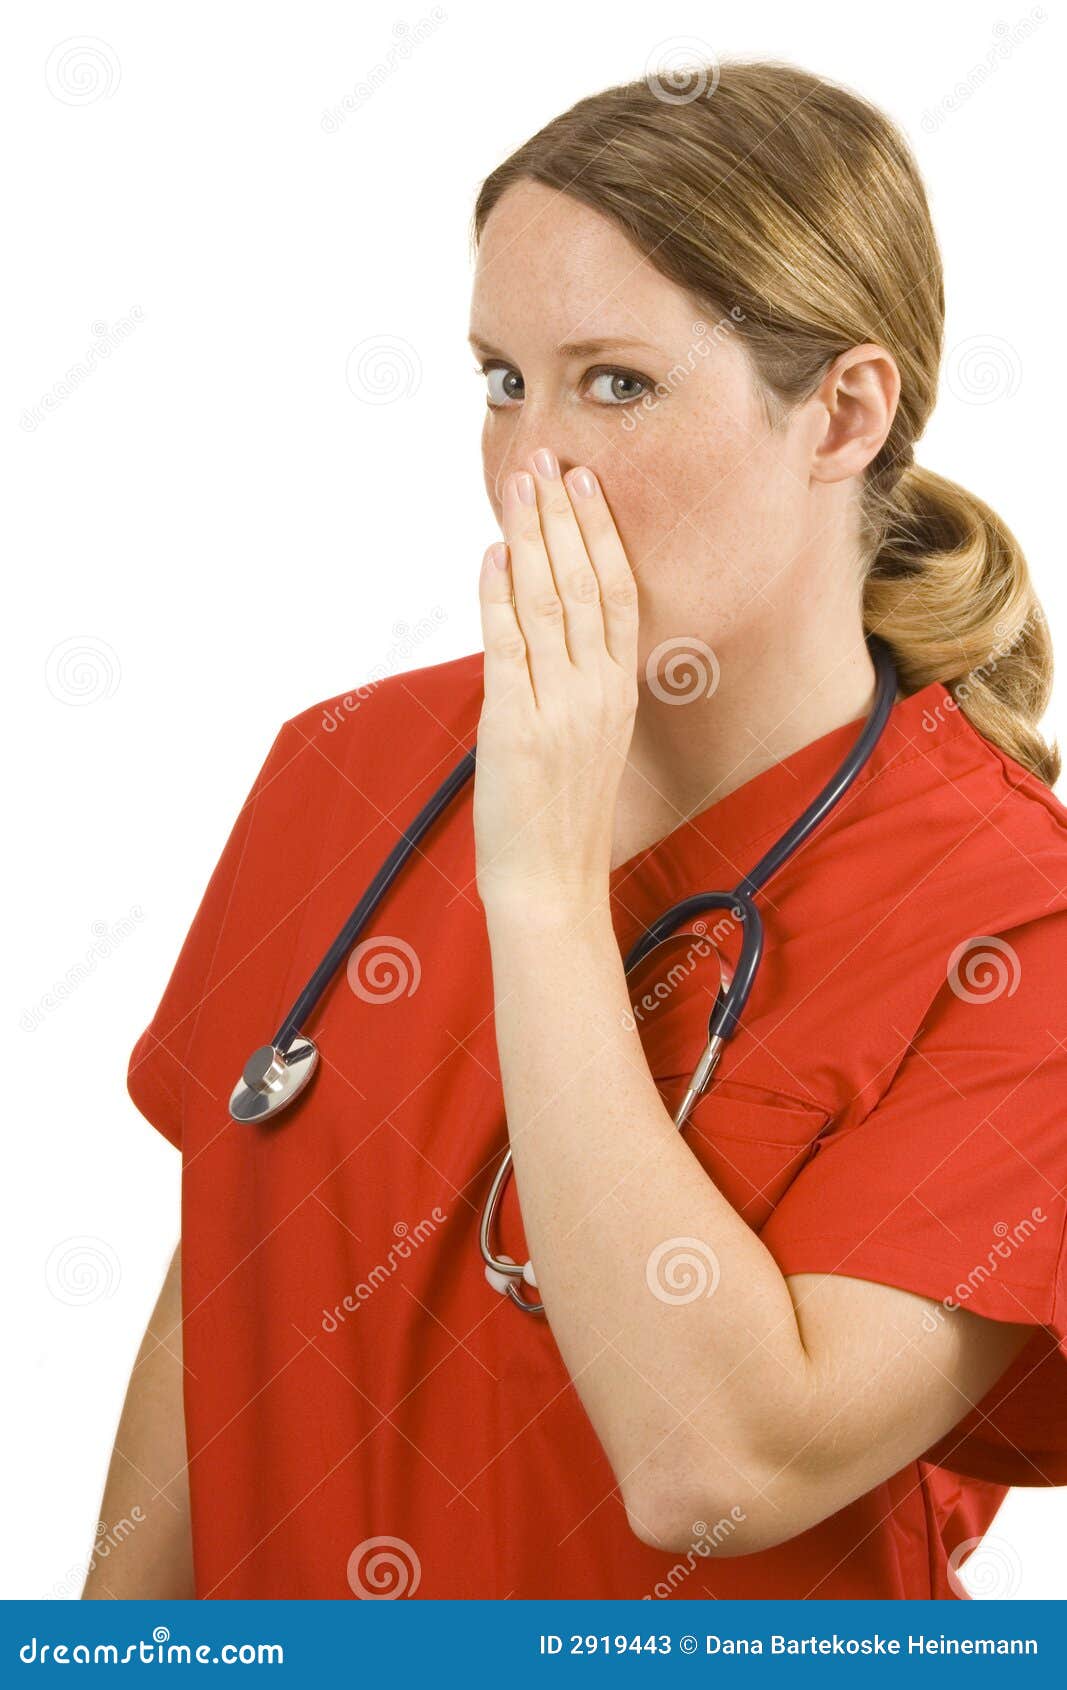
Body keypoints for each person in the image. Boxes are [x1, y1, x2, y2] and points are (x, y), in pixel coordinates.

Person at [87, 59, 1067, 1602]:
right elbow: (218, 1291)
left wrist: (541, 892)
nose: (529, 465)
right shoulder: (348, 764)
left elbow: (719, 1471)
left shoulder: (1015, 922)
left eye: (616, 381)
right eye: (501, 379)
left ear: (843, 413)